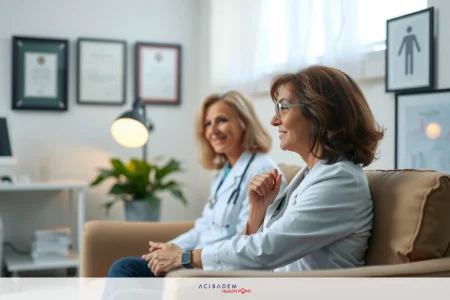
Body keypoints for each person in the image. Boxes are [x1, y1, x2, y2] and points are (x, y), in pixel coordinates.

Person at [142, 65, 384, 275]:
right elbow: (259, 248)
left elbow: (267, 250)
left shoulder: (339, 181)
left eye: (284, 108)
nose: (274, 120)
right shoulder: (310, 175)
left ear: (320, 113)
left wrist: (185, 257)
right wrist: (257, 214)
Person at [106, 90, 286, 277]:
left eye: (222, 120)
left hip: (215, 268)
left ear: (244, 123)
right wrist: (167, 251)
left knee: (123, 269)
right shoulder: (225, 172)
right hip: (195, 260)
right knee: (126, 270)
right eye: (208, 124)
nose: (213, 130)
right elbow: (203, 227)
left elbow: (247, 241)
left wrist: (183, 257)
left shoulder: (262, 173)